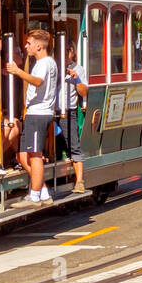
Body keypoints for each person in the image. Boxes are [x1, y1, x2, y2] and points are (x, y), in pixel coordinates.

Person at [6, 29, 58, 207]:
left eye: (29, 43)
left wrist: (17, 71)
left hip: (39, 113)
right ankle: (43, 192)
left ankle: (34, 197)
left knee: (35, 156)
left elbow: (38, 81)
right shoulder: (44, 63)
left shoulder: (44, 63)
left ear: (38, 46)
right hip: (34, 112)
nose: (26, 46)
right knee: (23, 156)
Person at [59, 45, 88, 194]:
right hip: (51, 111)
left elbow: (83, 92)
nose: (63, 55)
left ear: (71, 52)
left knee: (73, 144)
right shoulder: (53, 66)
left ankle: (79, 181)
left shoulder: (79, 69)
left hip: (68, 111)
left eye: (65, 52)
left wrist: (76, 79)